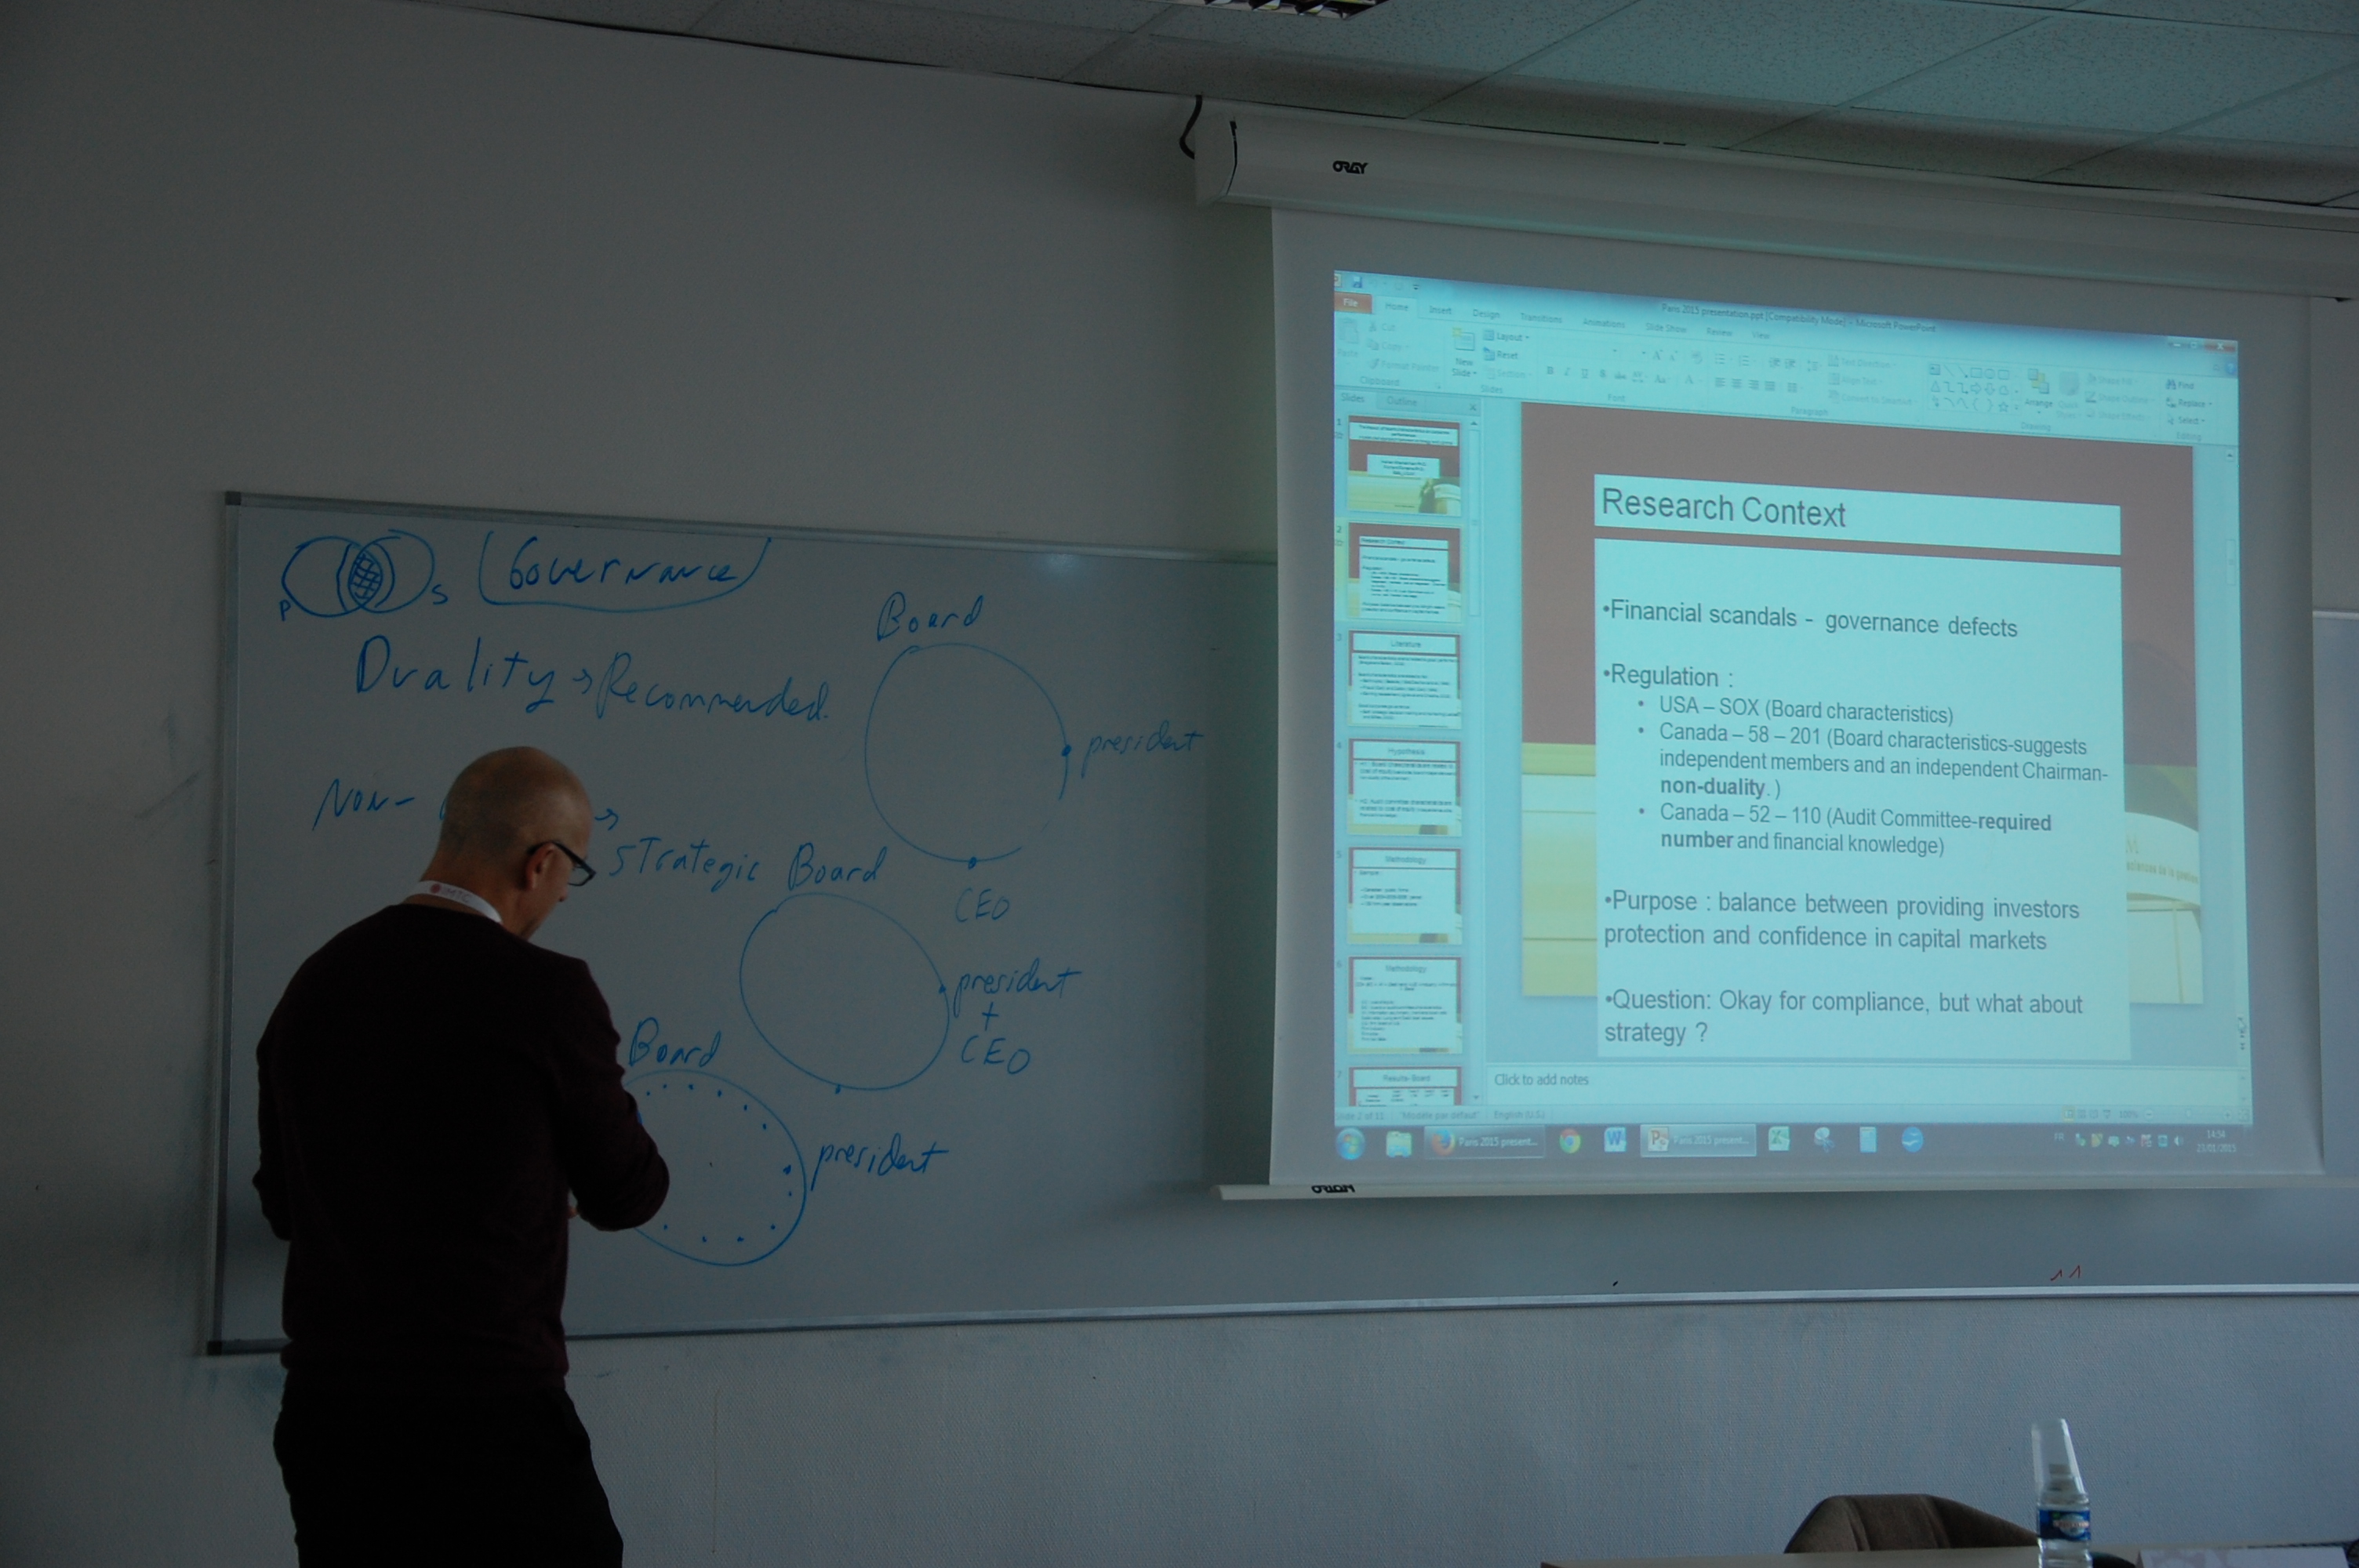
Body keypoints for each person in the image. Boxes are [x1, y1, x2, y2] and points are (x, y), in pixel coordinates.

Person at [254, 746, 669, 1566]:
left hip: (332, 1421)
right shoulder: (545, 992)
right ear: (540, 861)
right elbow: (628, 1191)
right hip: (487, 1414)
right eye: (571, 872)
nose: (562, 895)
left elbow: (284, 1206)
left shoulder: (316, 982)